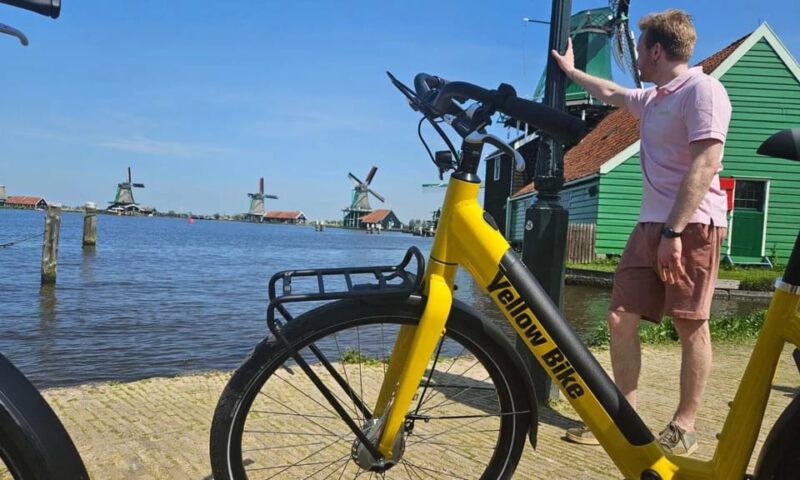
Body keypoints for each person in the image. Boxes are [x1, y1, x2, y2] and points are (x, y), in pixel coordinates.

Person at [551, 9, 731, 456]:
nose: (634, 59)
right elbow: (610, 91)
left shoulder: (703, 90)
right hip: (649, 224)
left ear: (655, 50)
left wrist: (674, 231)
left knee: (690, 324)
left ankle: (685, 425)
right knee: (619, 318)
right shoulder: (653, 99)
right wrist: (572, 71)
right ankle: (626, 417)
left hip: (691, 225)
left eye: (639, 49)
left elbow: (706, 162)